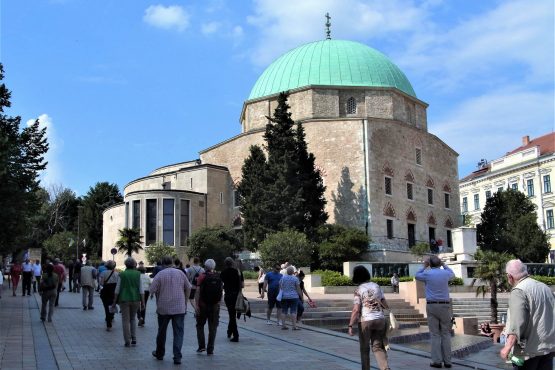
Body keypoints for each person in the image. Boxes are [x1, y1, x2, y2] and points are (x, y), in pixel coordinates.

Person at [500, 259, 555, 369]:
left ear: (509, 276)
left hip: (528, 352)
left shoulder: (519, 291)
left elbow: (517, 322)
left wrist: (508, 346)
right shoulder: (545, 288)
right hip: (549, 348)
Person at [150, 256, 192, 365]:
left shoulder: (160, 274)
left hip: (163, 308)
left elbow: (152, 290)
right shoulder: (180, 273)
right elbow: (188, 287)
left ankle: (160, 353)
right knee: (178, 332)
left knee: (162, 332)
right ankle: (177, 357)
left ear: (163, 264)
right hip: (179, 307)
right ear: (172, 263)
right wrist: (185, 301)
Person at [415, 255, 455, 368]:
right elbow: (452, 274)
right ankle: (448, 361)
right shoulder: (445, 273)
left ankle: (437, 361)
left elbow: (417, 275)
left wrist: (424, 266)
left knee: (435, 334)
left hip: (432, 305)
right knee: (446, 333)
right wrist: (444, 265)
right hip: (445, 306)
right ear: (439, 264)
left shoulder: (427, 273)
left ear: (430, 264)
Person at [348, 265, 391, 370]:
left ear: (356, 276)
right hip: (380, 319)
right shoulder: (376, 286)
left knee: (364, 348)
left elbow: (356, 309)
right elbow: (384, 303)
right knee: (378, 347)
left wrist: (350, 325)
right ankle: (385, 368)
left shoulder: (358, 290)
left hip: (366, 321)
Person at [111, 257, 144, 347]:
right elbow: (141, 290)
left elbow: (117, 290)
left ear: (126, 264)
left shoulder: (122, 274)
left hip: (124, 299)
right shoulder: (138, 274)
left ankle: (127, 340)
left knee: (125, 320)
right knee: (133, 318)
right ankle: (134, 338)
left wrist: (114, 302)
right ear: (134, 264)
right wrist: (143, 303)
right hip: (136, 299)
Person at [195, 259, 222, 355]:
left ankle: (202, 346)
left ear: (205, 267)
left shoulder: (201, 276)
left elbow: (198, 291)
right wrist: (218, 303)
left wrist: (196, 305)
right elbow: (220, 292)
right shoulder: (218, 277)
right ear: (213, 267)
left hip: (203, 305)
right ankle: (210, 349)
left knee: (200, 325)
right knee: (213, 327)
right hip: (215, 305)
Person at [220, 257, 243, 342]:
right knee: (232, 315)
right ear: (232, 263)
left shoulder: (223, 273)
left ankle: (236, 335)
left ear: (225, 264)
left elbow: (221, 285)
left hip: (228, 296)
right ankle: (229, 332)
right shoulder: (237, 272)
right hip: (237, 295)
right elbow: (242, 285)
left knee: (231, 315)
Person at [279, 266, 302, 330]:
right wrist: (301, 296)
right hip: (294, 297)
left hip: (284, 297)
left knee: (284, 311)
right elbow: (298, 288)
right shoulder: (295, 279)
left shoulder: (282, 278)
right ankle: (294, 326)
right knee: (293, 311)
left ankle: (283, 325)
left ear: (286, 272)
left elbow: (280, 287)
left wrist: (280, 294)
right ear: (292, 272)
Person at [99, 261, 118, 331]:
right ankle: (111, 316)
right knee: (113, 304)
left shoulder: (103, 273)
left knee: (106, 307)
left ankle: (108, 324)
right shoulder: (117, 274)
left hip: (106, 291)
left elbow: (100, 283)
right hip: (114, 292)